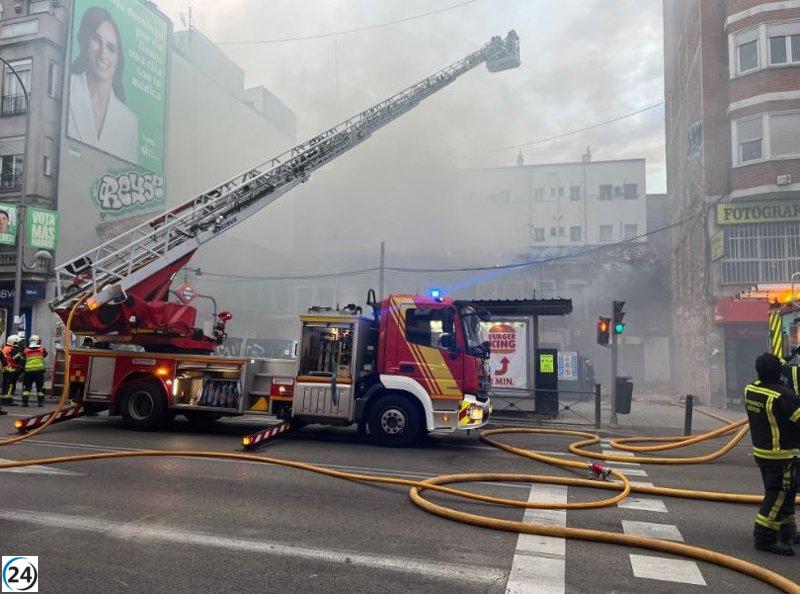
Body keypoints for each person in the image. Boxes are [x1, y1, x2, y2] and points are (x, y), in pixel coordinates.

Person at [67, 6, 139, 164]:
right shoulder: (65, 89)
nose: (103, 54)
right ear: (85, 41)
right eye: (97, 40)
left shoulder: (129, 122)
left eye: (111, 48)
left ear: (119, 58)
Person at [745, 353, 800, 555]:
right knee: (778, 495)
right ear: (779, 372)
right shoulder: (783, 397)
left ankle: (787, 531)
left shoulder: (750, 389)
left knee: (786, 494)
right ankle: (764, 537)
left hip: (763, 452)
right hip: (782, 455)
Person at [22, 335, 47, 408]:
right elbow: (45, 355)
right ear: (38, 341)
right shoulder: (42, 350)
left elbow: (22, 358)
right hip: (39, 371)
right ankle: (40, 403)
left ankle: (25, 402)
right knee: (40, 387)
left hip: (28, 372)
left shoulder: (26, 351)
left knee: (27, 388)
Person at [2, 335, 25, 404]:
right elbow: (18, 359)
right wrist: (21, 354)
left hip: (6, 369)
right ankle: (8, 401)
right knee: (10, 385)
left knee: (5, 385)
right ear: (13, 342)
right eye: (17, 342)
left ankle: (3, 400)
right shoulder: (12, 349)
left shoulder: (6, 348)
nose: (18, 344)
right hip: (11, 370)